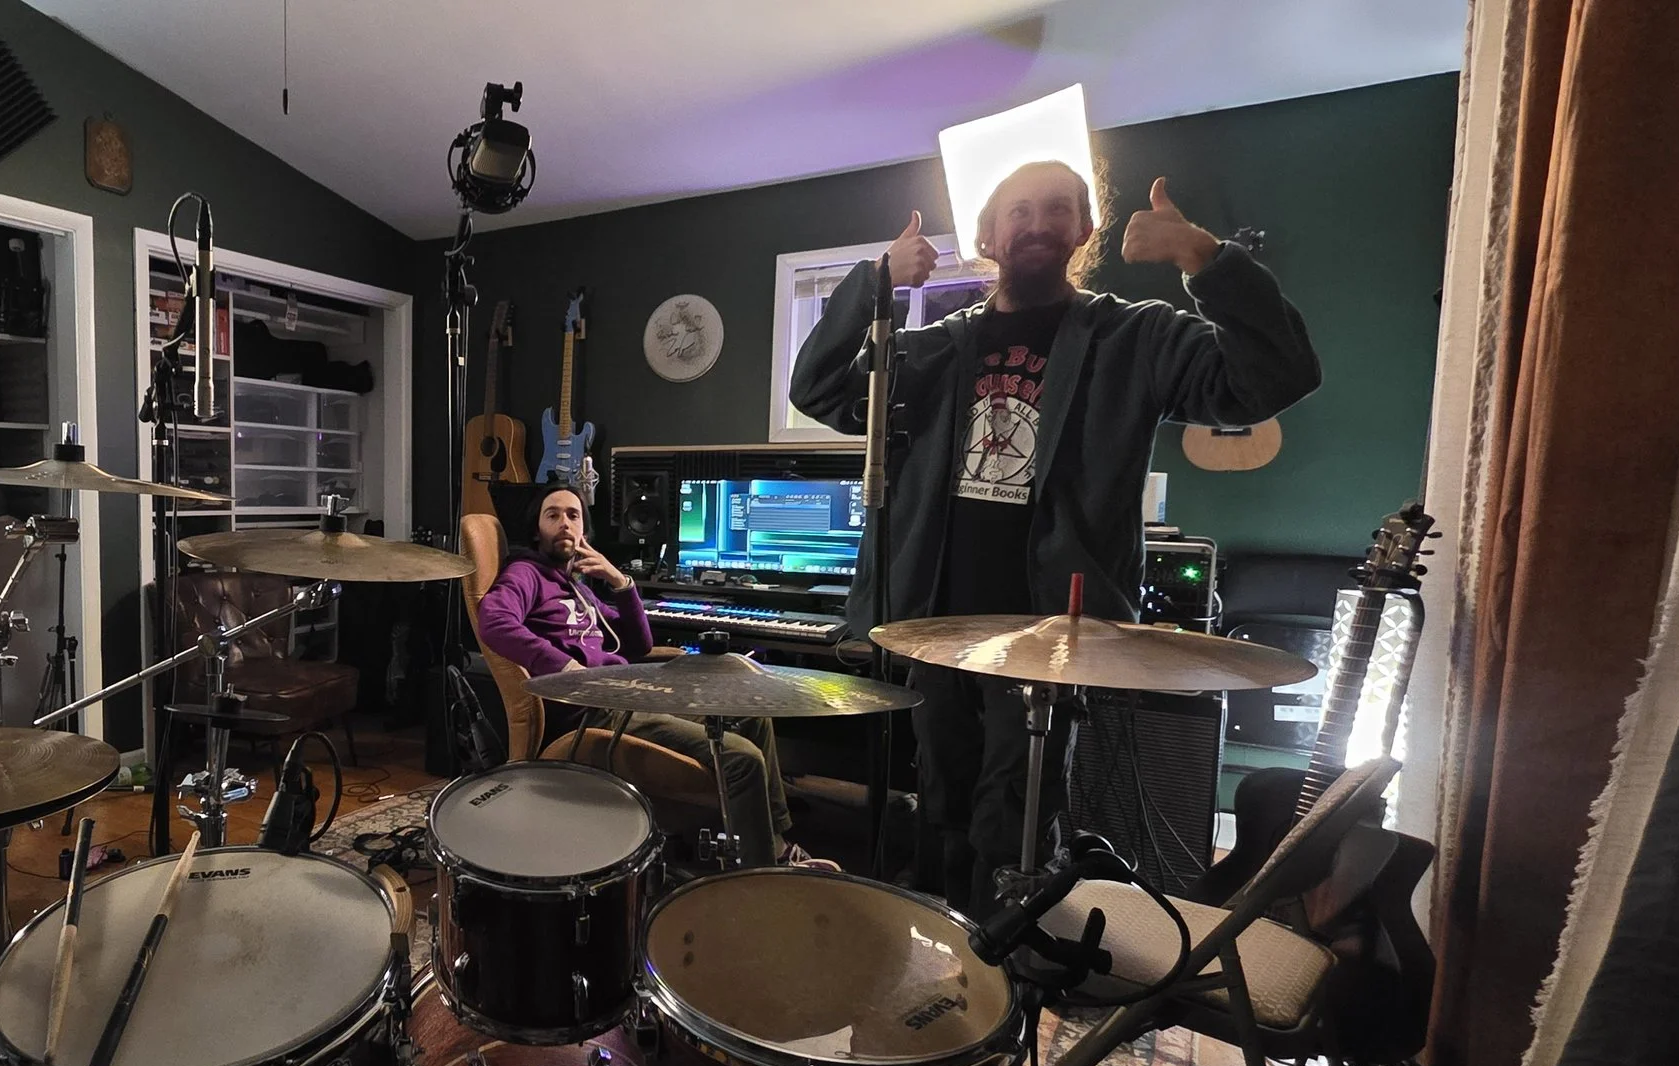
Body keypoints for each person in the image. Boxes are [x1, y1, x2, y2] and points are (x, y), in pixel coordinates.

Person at [790, 162, 1321, 914]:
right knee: (940, 804)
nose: (1035, 223)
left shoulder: (1134, 337)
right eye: (1018, 210)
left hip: (1048, 633)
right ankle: (939, 967)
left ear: (1084, 232)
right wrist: (870, 283)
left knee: (1015, 818)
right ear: (985, 235)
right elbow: (817, 389)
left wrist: (1207, 259)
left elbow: (1276, 373)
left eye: (1055, 210)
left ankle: (1004, 971)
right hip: (932, 626)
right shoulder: (931, 350)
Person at [473, 486, 823, 869]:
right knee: (743, 758)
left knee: (754, 716)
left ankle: (771, 839)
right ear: (536, 528)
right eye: (552, 515)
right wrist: (565, 668)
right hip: (596, 713)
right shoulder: (525, 574)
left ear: (584, 530)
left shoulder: (576, 584)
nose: (564, 524)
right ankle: (763, 869)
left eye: (573, 515)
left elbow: (639, 643)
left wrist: (620, 582)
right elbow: (494, 621)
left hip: (628, 693)